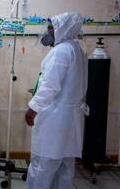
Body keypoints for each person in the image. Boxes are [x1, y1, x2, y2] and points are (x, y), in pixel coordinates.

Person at [25, 12, 88, 189]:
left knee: (43, 165)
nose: (48, 32)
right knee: (65, 166)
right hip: (71, 118)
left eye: (52, 28)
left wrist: (33, 108)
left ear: (64, 29)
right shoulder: (78, 49)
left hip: (55, 118)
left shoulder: (60, 52)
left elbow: (49, 86)